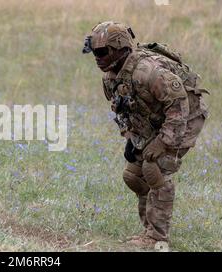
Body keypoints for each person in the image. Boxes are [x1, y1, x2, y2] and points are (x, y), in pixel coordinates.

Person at [82, 21, 209, 248]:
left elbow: (179, 107)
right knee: (134, 176)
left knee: (155, 170)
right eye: (94, 52)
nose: (97, 58)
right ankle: (147, 230)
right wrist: (130, 137)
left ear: (120, 49)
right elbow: (122, 109)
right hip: (155, 121)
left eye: (102, 52)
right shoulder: (110, 77)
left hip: (184, 119)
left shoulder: (149, 72)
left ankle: (156, 237)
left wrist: (163, 142)